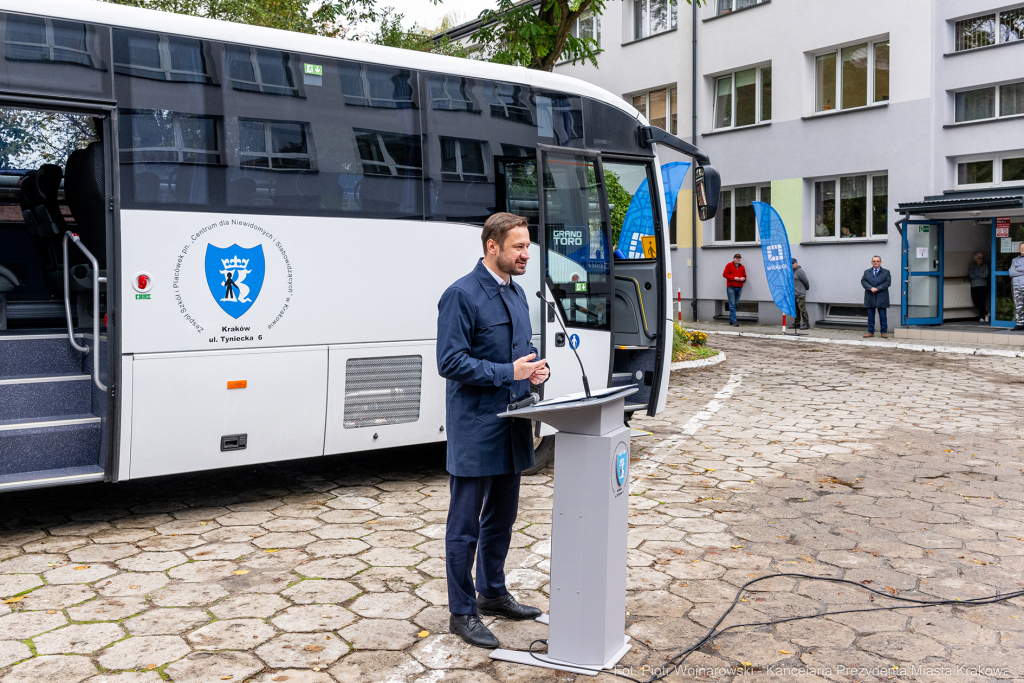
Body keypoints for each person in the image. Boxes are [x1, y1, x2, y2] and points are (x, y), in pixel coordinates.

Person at [436, 212, 550, 649]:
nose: (525, 255)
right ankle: (462, 612)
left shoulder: (516, 293)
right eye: (518, 247)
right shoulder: (461, 295)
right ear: (492, 246)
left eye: (527, 247)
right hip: (477, 427)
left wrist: (534, 370)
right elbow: (450, 362)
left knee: (502, 517)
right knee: (465, 527)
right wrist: (508, 371)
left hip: (513, 424)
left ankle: (493, 593)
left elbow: (521, 351)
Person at [861, 255, 891, 338]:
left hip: (882, 297)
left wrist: (878, 288)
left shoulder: (886, 272)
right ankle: (870, 332)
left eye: (878, 261)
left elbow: (887, 283)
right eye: (874, 261)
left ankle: (883, 332)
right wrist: (870, 288)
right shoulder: (867, 272)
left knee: (883, 316)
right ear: (872, 262)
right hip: (870, 296)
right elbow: (863, 281)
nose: (876, 263)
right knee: (870, 316)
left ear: (880, 262)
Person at [722, 253, 746, 326]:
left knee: (735, 304)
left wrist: (743, 279)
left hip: (739, 287)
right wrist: (734, 278)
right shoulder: (729, 265)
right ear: (734, 259)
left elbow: (744, 276)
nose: (738, 259)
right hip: (731, 287)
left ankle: (731, 320)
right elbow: (725, 274)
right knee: (732, 304)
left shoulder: (742, 267)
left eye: (739, 258)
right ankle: (734, 321)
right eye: (736, 258)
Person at [968, 252, 990, 323]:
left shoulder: (985, 266)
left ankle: (982, 317)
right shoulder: (972, 266)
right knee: (975, 301)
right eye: (979, 258)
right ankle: (986, 314)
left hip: (983, 285)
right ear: (976, 259)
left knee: (982, 301)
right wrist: (981, 274)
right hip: (974, 285)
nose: (981, 260)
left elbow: (986, 275)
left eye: (982, 258)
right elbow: (971, 275)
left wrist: (976, 274)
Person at [792, 258, 810, 329]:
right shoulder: (790, 272)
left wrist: (806, 288)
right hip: (794, 294)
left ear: (796, 263)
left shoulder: (800, 271)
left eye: (793, 263)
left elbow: (805, 281)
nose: (792, 265)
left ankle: (806, 323)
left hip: (800, 294)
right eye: (790, 263)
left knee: (802, 309)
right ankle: (797, 323)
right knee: (796, 310)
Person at [1009, 242, 1024, 330]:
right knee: (1018, 306)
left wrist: (1017, 269)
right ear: (1019, 249)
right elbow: (1011, 273)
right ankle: (1020, 324)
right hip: (1017, 286)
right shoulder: (1014, 260)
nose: (1022, 249)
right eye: (1021, 247)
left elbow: (1015, 271)